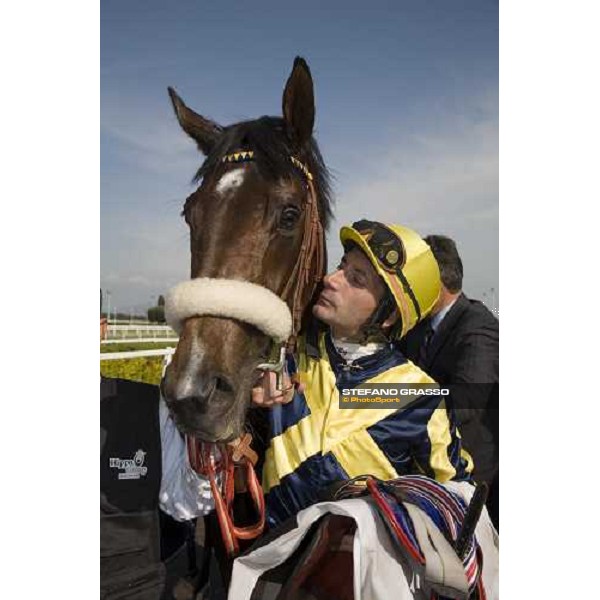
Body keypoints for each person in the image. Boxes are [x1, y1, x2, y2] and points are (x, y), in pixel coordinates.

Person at [252, 220, 474, 527]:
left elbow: (459, 496)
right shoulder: (285, 355)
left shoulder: (419, 395)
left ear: (389, 315)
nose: (331, 279)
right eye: (341, 266)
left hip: (358, 569)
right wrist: (250, 408)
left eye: (356, 279)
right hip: (268, 558)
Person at [399, 235, 499, 528]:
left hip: (471, 485)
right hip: (423, 473)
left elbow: (464, 402)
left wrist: (380, 399)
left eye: (413, 280)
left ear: (434, 282)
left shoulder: (478, 327)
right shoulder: (416, 329)